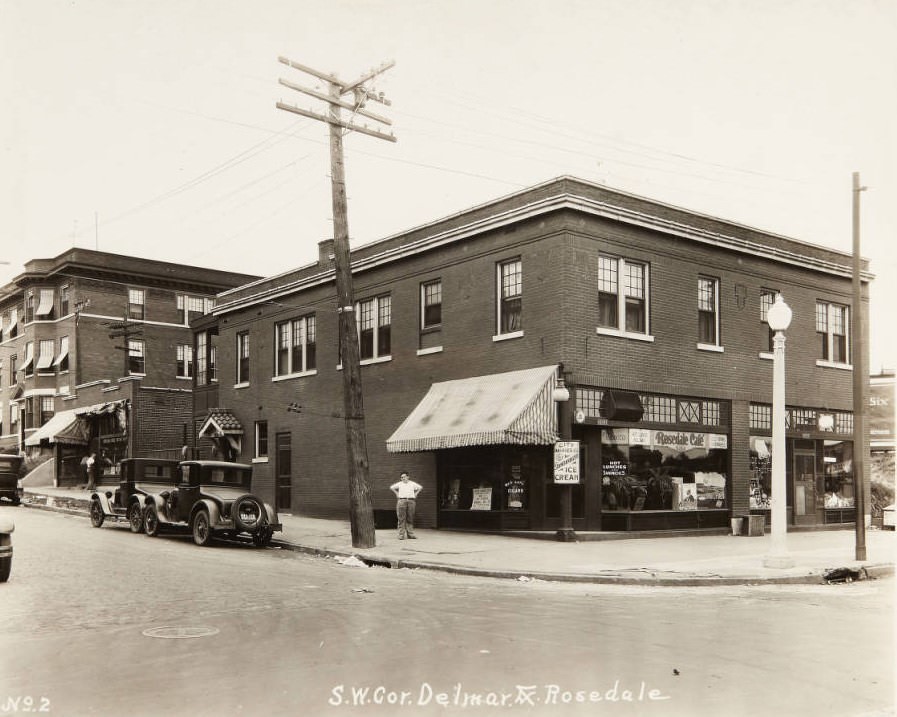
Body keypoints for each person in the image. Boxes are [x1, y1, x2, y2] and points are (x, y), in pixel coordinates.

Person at [390, 471, 422, 540]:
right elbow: (392, 487)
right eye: (401, 477)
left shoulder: (412, 483)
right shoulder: (399, 484)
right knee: (401, 518)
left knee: (410, 518)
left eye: (404, 477)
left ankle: (410, 534)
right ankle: (401, 535)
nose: (403, 478)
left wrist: (416, 493)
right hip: (402, 501)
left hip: (411, 501)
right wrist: (396, 493)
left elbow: (420, 487)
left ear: (408, 477)